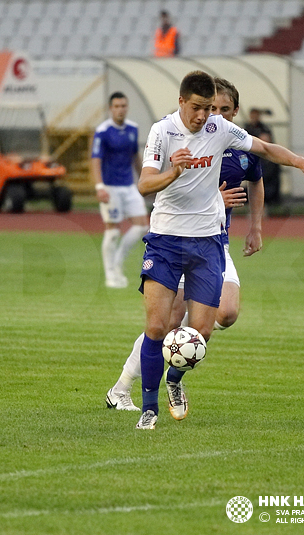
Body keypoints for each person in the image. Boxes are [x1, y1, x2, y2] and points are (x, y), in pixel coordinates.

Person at [107, 71, 304, 430]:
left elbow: (265, 149)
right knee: (156, 327)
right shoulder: (162, 131)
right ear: (182, 102)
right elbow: (145, 184)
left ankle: (175, 381)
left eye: (209, 108)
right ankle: (148, 411)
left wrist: (300, 160)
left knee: (202, 333)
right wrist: (173, 172)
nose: (203, 116)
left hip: (208, 243)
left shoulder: (220, 129)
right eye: (197, 108)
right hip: (165, 239)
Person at [105, 77, 264, 413]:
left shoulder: (235, 145)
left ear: (233, 111)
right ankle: (124, 387)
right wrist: (210, 197)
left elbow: (258, 181)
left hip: (214, 243)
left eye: (220, 109)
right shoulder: (180, 135)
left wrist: (256, 227)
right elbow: (162, 184)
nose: (211, 115)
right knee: (167, 322)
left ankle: (175, 370)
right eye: (207, 108)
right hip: (176, 240)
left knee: (227, 313)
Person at [91, 92, 149, 288]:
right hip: (110, 187)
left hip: (128, 185)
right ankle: (110, 275)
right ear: (110, 109)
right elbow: (95, 160)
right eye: (116, 106)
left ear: (127, 107)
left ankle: (117, 262)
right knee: (113, 231)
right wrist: (99, 186)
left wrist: (146, 180)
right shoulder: (103, 131)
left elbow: (135, 157)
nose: (120, 109)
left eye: (123, 105)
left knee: (142, 226)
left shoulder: (133, 129)